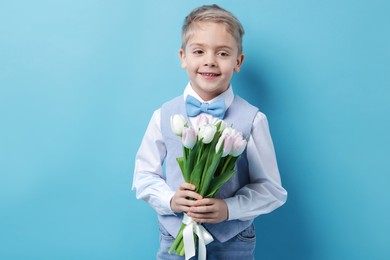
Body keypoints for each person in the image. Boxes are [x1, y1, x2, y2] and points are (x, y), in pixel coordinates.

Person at [132, 4, 287, 260]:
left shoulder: (253, 120)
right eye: (199, 51)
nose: (209, 61)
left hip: (232, 240)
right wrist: (171, 199)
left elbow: (271, 190)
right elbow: (143, 176)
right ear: (183, 57)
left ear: (238, 61)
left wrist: (228, 208)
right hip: (175, 237)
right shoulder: (163, 115)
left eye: (223, 53)